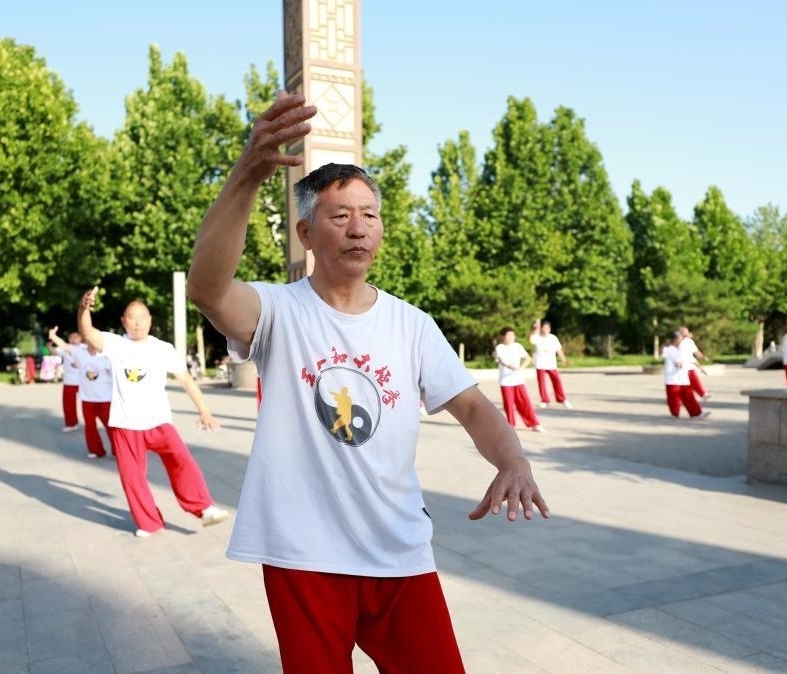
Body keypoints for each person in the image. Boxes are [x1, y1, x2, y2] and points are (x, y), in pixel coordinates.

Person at [186, 92, 549, 674]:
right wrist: (247, 174)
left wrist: (513, 460)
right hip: (303, 555)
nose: (358, 229)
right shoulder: (277, 311)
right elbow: (206, 289)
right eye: (340, 216)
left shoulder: (412, 324)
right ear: (306, 233)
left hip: (398, 551)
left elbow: (474, 408)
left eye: (369, 215)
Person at [76, 289, 230, 537]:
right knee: (132, 478)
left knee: (182, 461)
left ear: (150, 320)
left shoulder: (163, 348)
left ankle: (204, 508)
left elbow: (186, 379)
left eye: (142, 318)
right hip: (125, 424)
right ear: (124, 321)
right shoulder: (115, 344)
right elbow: (87, 332)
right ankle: (149, 522)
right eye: (132, 318)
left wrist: (205, 411)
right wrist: (84, 308)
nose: (137, 323)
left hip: (158, 421)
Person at [495, 327, 545, 432]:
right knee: (509, 404)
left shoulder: (517, 346)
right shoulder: (500, 347)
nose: (511, 337)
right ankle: (511, 425)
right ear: (503, 336)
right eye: (509, 335)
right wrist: (509, 366)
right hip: (506, 381)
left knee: (525, 403)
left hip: (518, 380)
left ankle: (534, 424)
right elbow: (501, 360)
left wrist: (521, 367)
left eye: (512, 335)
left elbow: (528, 358)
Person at [76, 340, 114, 458]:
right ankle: (96, 450)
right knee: (90, 426)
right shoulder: (80, 353)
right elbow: (66, 347)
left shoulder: (106, 357)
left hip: (105, 398)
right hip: (87, 398)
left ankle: (118, 450)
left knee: (111, 426)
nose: (92, 344)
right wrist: (53, 336)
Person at [662, 331, 708, 419]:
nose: (681, 341)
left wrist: (700, 368)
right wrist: (679, 364)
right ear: (675, 339)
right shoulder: (669, 349)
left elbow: (691, 359)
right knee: (673, 398)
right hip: (673, 379)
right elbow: (677, 362)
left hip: (683, 378)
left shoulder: (682, 349)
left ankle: (696, 413)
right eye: (679, 339)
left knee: (689, 396)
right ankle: (675, 414)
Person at [528, 319, 572, 410]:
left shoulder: (553, 338)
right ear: (541, 328)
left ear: (550, 329)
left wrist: (564, 359)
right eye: (544, 328)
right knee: (542, 383)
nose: (545, 329)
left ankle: (562, 399)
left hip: (551, 364)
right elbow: (530, 339)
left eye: (547, 328)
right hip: (540, 364)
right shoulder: (537, 337)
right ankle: (544, 400)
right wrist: (534, 328)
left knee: (557, 381)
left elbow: (559, 350)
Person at [678, 326, 710, 401]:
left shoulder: (690, 341)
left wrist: (703, 357)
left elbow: (696, 351)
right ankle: (683, 397)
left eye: (686, 331)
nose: (686, 333)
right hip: (682, 367)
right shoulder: (678, 342)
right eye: (683, 332)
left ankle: (703, 393)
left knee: (694, 380)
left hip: (690, 364)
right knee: (684, 384)